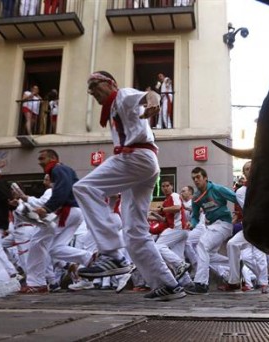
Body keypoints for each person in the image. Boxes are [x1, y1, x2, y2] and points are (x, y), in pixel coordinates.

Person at [72, 70, 186, 301]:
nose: (91, 91)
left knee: (84, 188)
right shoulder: (114, 107)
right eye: (90, 87)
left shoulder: (122, 95)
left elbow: (148, 94)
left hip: (136, 157)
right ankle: (168, 284)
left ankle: (112, 254)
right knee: (134, 233)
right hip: (142, 164)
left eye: (94, 85)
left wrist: (153, 102)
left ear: (110, 83)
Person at [18, 149, 95, 294]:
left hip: (66, 211)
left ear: (53, 158)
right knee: (54, 248)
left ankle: (36, 283)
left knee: (37, 241)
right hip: (74, 212)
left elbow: (63, 188)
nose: (40, 162)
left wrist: (47, 208)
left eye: (42, 158)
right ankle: (91, 258)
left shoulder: (57, 169)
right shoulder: (63, 170)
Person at [183, 166, 239, 295]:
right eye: (193, 178)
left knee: (202, 245)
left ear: (205, 178)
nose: (196, 181)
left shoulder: (217, 189)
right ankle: (234, 263)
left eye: (198, 177)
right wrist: (191, 224)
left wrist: (239, 215)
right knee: (208, 254)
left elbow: (236, 198)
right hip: (212, 226)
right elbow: (196, 216)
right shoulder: (196, 197)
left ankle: (201, 284)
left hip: (224, 224)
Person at [218, 161, 269, 294]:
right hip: (249, 227)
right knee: (232, 244)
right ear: (244, 173)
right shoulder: (241, 191)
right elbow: (252, 208)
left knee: (259, 254)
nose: (249, 170)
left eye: (252, 168)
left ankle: (264, 283)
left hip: (263, 226)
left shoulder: (265, 186)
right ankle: (234, 281)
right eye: (246, 169)